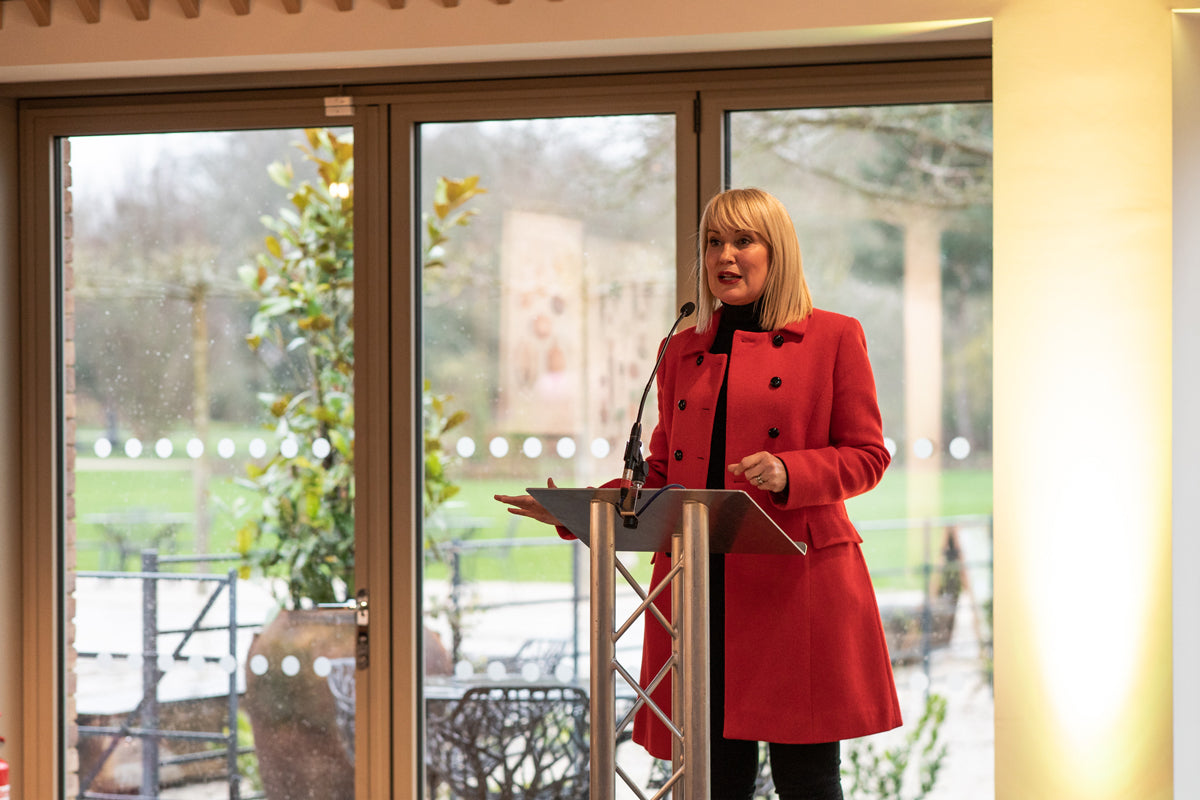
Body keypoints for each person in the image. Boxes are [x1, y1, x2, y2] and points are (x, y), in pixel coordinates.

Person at [495, 187, 901, 800]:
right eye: (714, 242)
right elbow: (659, 477)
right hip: (697, 588)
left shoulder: (835, 338)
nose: (725, 256)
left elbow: (869, 456)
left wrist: (793, 472)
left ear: (778, 252)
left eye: (743, 241)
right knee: (710, 778)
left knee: (808, 779)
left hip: (796, 585)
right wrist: (576, 509)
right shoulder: (681, 350)